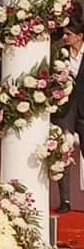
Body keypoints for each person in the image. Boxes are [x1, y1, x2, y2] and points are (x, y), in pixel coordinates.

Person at [52, 20, 84, 212]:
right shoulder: (60, 54)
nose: (64, 37)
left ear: (79, 36)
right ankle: (65, 200)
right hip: (64, 109)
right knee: (62, 151)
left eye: (68, 34)